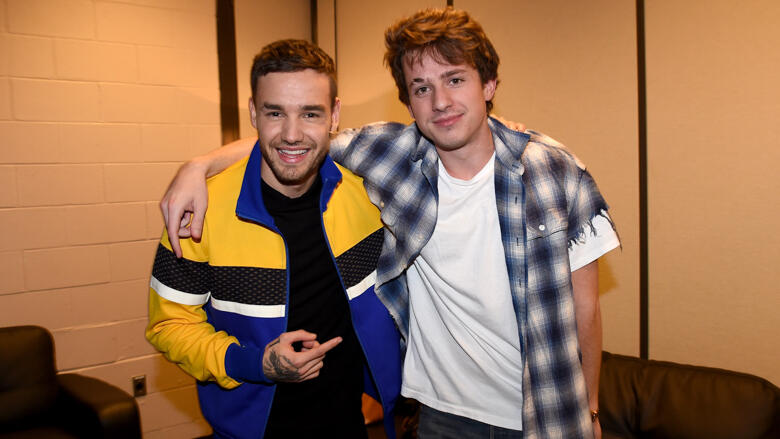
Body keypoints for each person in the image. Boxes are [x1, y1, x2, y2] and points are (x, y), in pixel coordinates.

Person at [162, 8, 620, 439]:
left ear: (489, 84)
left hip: (546, 411)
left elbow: (586, 308)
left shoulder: (554, 171)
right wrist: (198, 166)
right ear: (408, 103)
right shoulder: (390, 157)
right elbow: (298, 140)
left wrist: (591, 408)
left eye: (455, 79)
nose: (441, 102)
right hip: (443, 414)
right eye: (421, 88)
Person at [145, 39, 401, 439]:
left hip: (349, 423)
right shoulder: (200, 211)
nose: (292, 134)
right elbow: (170, 324)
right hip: (248, 429)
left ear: (334, 114)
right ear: (253, 113)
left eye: (310, 113)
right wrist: (255, 364)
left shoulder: (367, 197)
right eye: (275, 113)